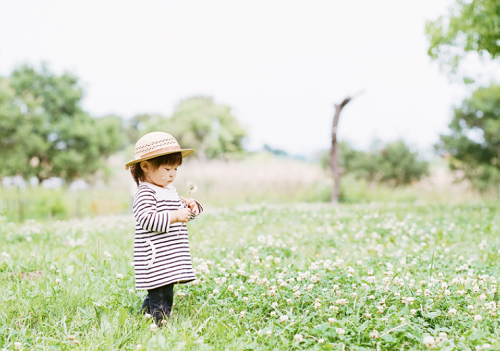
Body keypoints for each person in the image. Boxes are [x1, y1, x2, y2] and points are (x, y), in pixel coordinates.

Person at [125, 131, 202, 325]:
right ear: (146, 167)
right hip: (155, 255)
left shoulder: (170, 191)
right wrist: (175, 216)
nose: (172, 174)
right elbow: (146, 219)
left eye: (175, 169)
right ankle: (160, 323)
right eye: (167, 168)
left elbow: (181, 216)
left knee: (163, 289)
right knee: (160, 291)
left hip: (170, 252)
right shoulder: (145, 193)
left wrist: (192, 208)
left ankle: (146, 316)